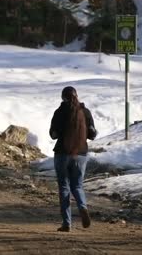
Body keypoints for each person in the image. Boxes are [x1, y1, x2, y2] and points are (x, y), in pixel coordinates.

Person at [49, 86, 97, 232]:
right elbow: (92, 134)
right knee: (77, 186)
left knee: (64, 187)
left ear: (63, 97)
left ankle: (67, 223)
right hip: (81, 154)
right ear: (77, 96)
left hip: (62, 153)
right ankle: (82, 206)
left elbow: (53, 134)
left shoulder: (59, 112)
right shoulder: (85, 112)